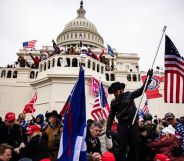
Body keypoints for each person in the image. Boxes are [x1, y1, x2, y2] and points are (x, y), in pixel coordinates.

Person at [106, 69, 153, 161]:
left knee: (135, 147)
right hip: (122, 127)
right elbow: (111, 116)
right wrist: (108, 129)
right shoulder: (113, 102)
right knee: (122, 148)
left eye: (116, 91)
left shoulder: (129, 95)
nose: (115, 93)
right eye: (114, 92)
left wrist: (148, 77)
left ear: (121, 90)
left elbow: (141, 90)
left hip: (132, 125)